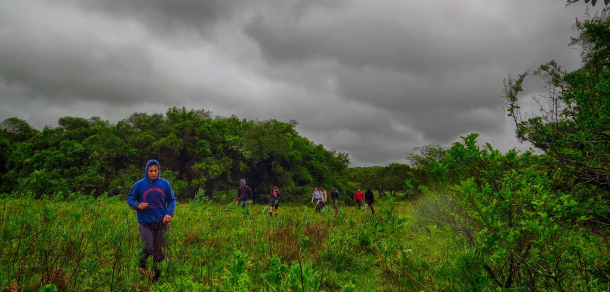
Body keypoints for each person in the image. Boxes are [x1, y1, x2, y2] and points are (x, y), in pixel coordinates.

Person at [126, 159, 177, 283]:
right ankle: (142, 265)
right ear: (146, 171)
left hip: (162, 223)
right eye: (150, 171)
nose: (153, 173)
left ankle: (155, 280)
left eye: (155, 170)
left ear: (159, 170)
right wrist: (137, 205)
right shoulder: (139, 185)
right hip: (146, 222)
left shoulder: (164, 184)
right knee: (148, 248)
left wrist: (169, 213)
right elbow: (130, 199)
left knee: (160, 254)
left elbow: (172, 200)